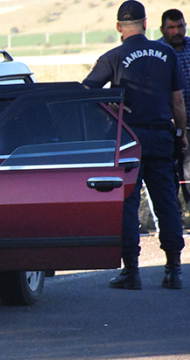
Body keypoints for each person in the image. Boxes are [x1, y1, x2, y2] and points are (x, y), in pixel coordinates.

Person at [83, 0, 187, 290]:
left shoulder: (113, 57)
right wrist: (182, 131)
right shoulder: (167, 53)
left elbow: (86, 93)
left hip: (129, 139)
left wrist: (111, 108)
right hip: (162, 134)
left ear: (118, 27)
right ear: (145, 23)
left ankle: (131, 271)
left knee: (128, 202)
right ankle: (174, 270)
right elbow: (177, 100)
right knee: (167, 201)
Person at [159, 9, 190, 205]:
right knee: (172, 173)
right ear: (162, 29)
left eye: (180, 26)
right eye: (171, 27)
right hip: (170, 123)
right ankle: (174, 216)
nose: (176, 31)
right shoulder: (158, 52)